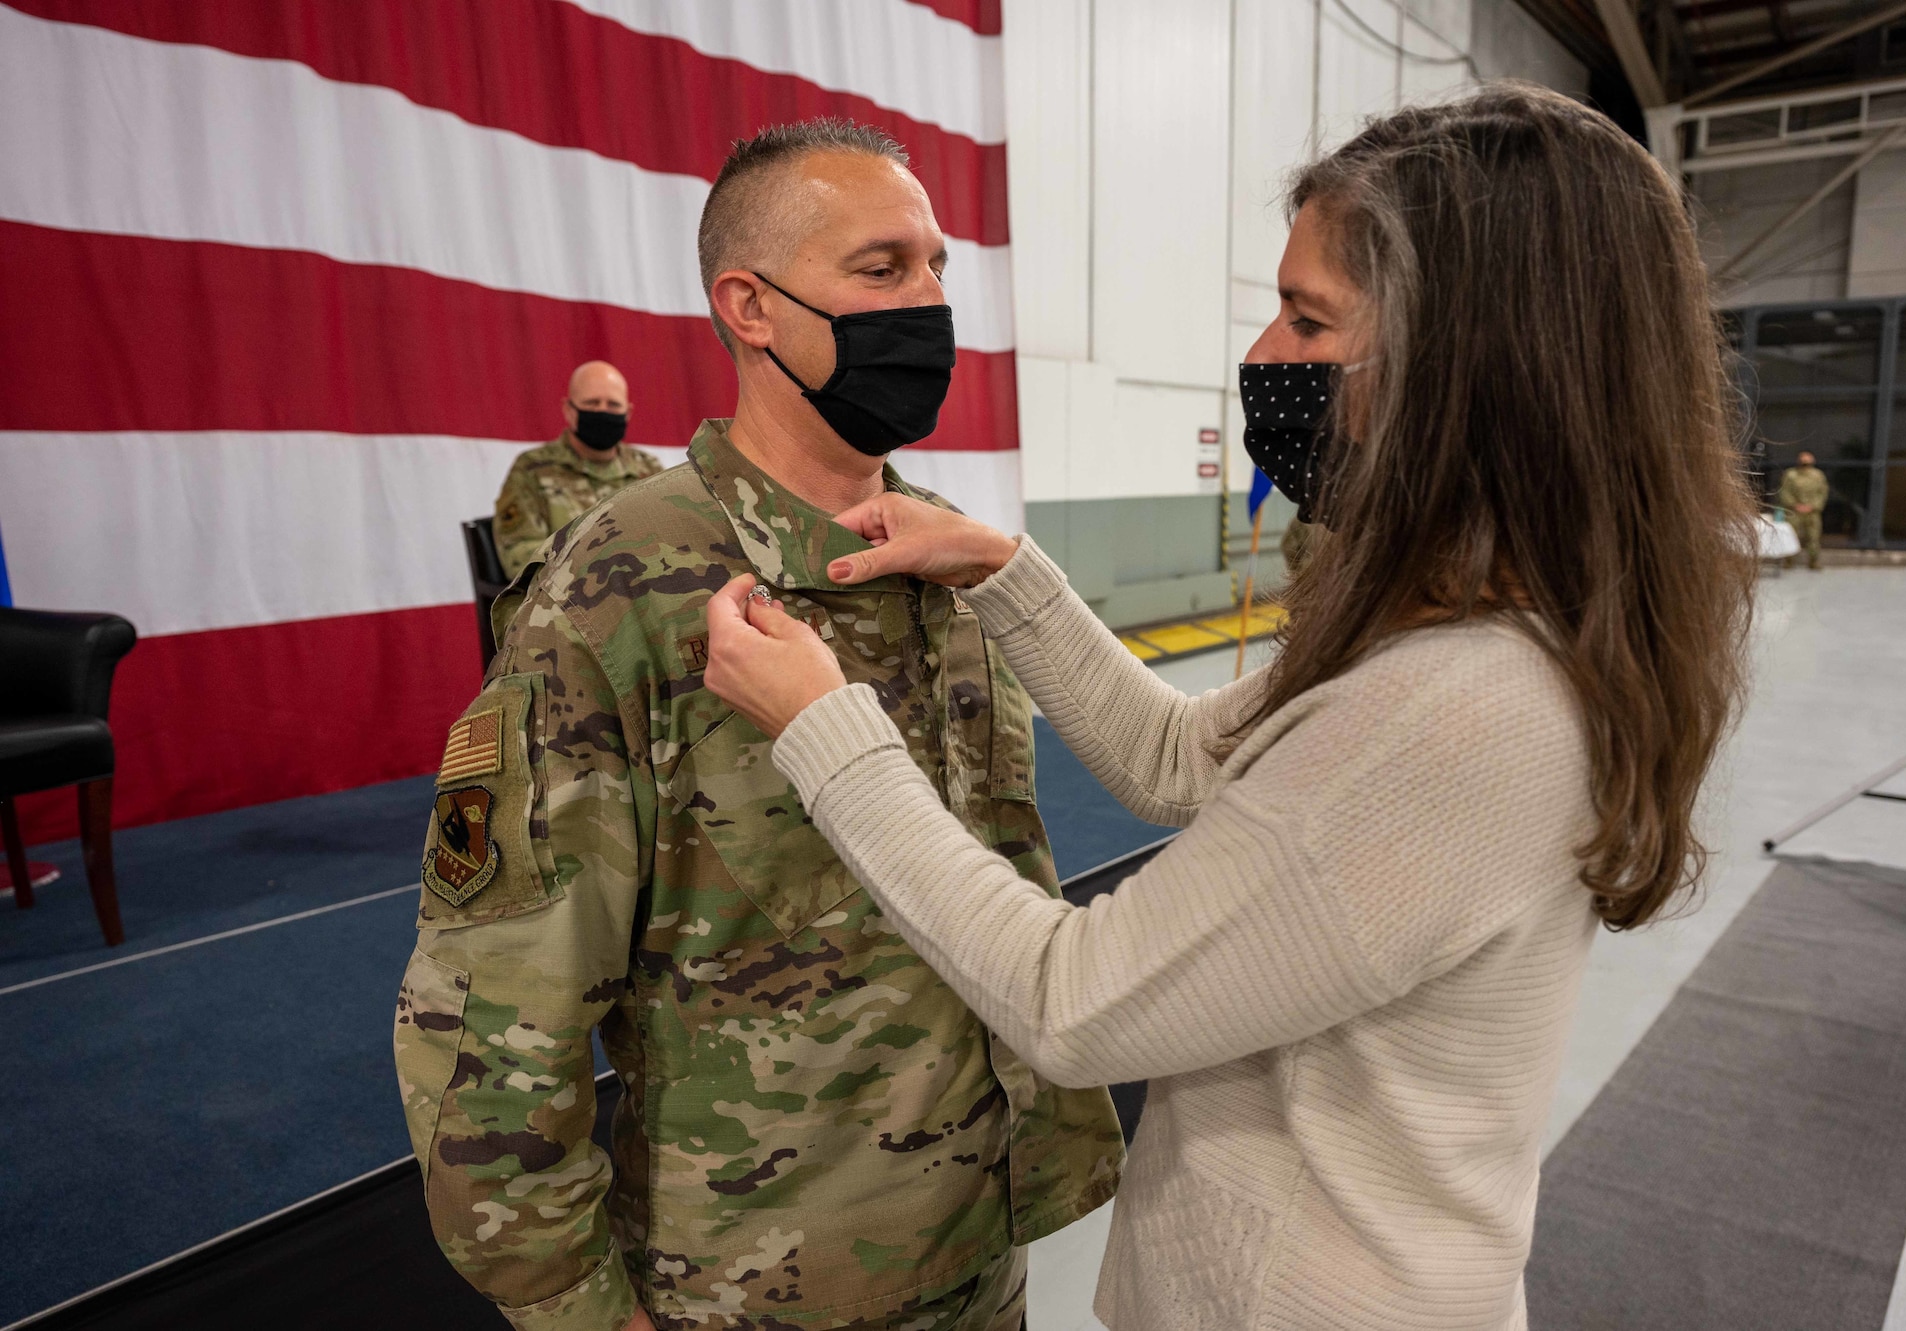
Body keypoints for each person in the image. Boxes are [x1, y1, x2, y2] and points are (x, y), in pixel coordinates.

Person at [700, 86, 1757, 1330]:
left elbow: (1070, 996)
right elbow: (1173, 755)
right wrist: (1006, 572)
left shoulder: (1458, 705)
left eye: (1308, 320)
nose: (1263, 357)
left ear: (1465, 366)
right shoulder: (1486, 619)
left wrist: (830, 734)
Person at [394, 119, 1121, 1331]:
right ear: (752, 307)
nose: (929, 303)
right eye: (881, 270)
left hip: (981, 1239)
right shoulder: (620, 587)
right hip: (758, 1279)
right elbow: (489, 1005)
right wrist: (577, 1303)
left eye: (938, 267)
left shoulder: (946, 550)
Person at [492, 360, 663, 579]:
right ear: (569, 410)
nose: (602, 411)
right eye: (592, 403)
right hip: (568, 599)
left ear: (627, 413)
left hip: (641, 591)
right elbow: (520, 555)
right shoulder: (532, 470)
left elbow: (666, 538)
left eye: (613, 405)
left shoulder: (648, 468)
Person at [1777, 450, 1829, 570]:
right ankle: (1788, 561)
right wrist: (1794, 505)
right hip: (1794, 511)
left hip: (1812, 512)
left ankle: (1814, 561)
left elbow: (1822, 492)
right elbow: (1785, 491)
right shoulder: (1790, 474)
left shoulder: (1818, 475)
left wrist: (1813, 506)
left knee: (1813, 537)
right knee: (1790, 536)